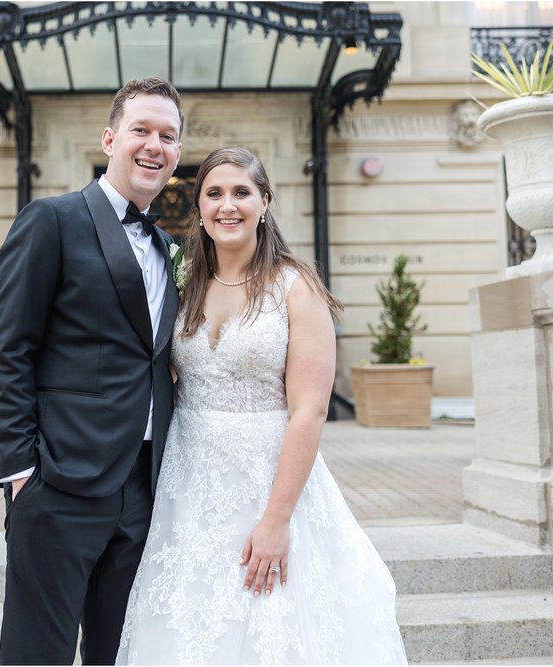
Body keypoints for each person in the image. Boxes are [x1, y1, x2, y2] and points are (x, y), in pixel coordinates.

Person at [116, 147, 408, 665]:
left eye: (241, 192)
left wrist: (276, 521)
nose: (228, 205)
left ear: (265, 203)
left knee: (268, 619)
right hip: (188, 481)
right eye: (214, 194)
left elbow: (310, 411)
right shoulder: (184, 284)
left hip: (268, 478)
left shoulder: (295, 287)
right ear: (200, 209)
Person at [0, 77, 183, 665]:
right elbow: (8, 348)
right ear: (110, 138)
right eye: (141, 130)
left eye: (168, 136)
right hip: (59, 483)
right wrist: (19, 470)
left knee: (116, 653)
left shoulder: (169, 246)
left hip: (142, 487)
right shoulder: (50, 220)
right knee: (35, 655)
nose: (154, 145)